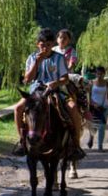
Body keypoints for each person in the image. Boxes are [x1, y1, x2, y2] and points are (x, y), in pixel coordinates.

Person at [13, 28, 85, 160]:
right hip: (36, 92)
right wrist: (37, 62)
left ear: (52, 44)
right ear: (37, 44)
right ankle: (22, 141)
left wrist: (54, 83)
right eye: (42, 45)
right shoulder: (32, 57)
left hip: (56, 91)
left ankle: (75, 145)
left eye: (48, 45)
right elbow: (27, 79)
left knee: (73, 108)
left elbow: (65, 78)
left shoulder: (59, 58)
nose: (44, 48)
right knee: (18, 108)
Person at [89, 66, 108, 151]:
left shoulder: (107, 83)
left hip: (104, 107)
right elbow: (89, 96)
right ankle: (91, 138)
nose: (99, 75)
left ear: (104, 74)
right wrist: (93, 104)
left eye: (101, 74)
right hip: (95, 108)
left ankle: (100, 147)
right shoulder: (92, 83)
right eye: (97, 73)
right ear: (95, 73)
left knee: (102, 127)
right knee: (94, 126)